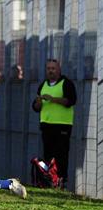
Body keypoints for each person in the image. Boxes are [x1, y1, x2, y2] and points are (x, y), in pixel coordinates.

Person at [32, 59, 76, 188]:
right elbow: (35, 107)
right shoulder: (43, 85)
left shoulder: (66, 83)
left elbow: (71, 101)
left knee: (61, 154)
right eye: (48, 68)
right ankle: (49, 180)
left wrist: (53, 99)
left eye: (53, 68)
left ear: (59, 69)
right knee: (48, 154)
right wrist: (38, 102)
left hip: (62, 125)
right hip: (47, 125)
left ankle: (61, 181)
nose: (50, 71)